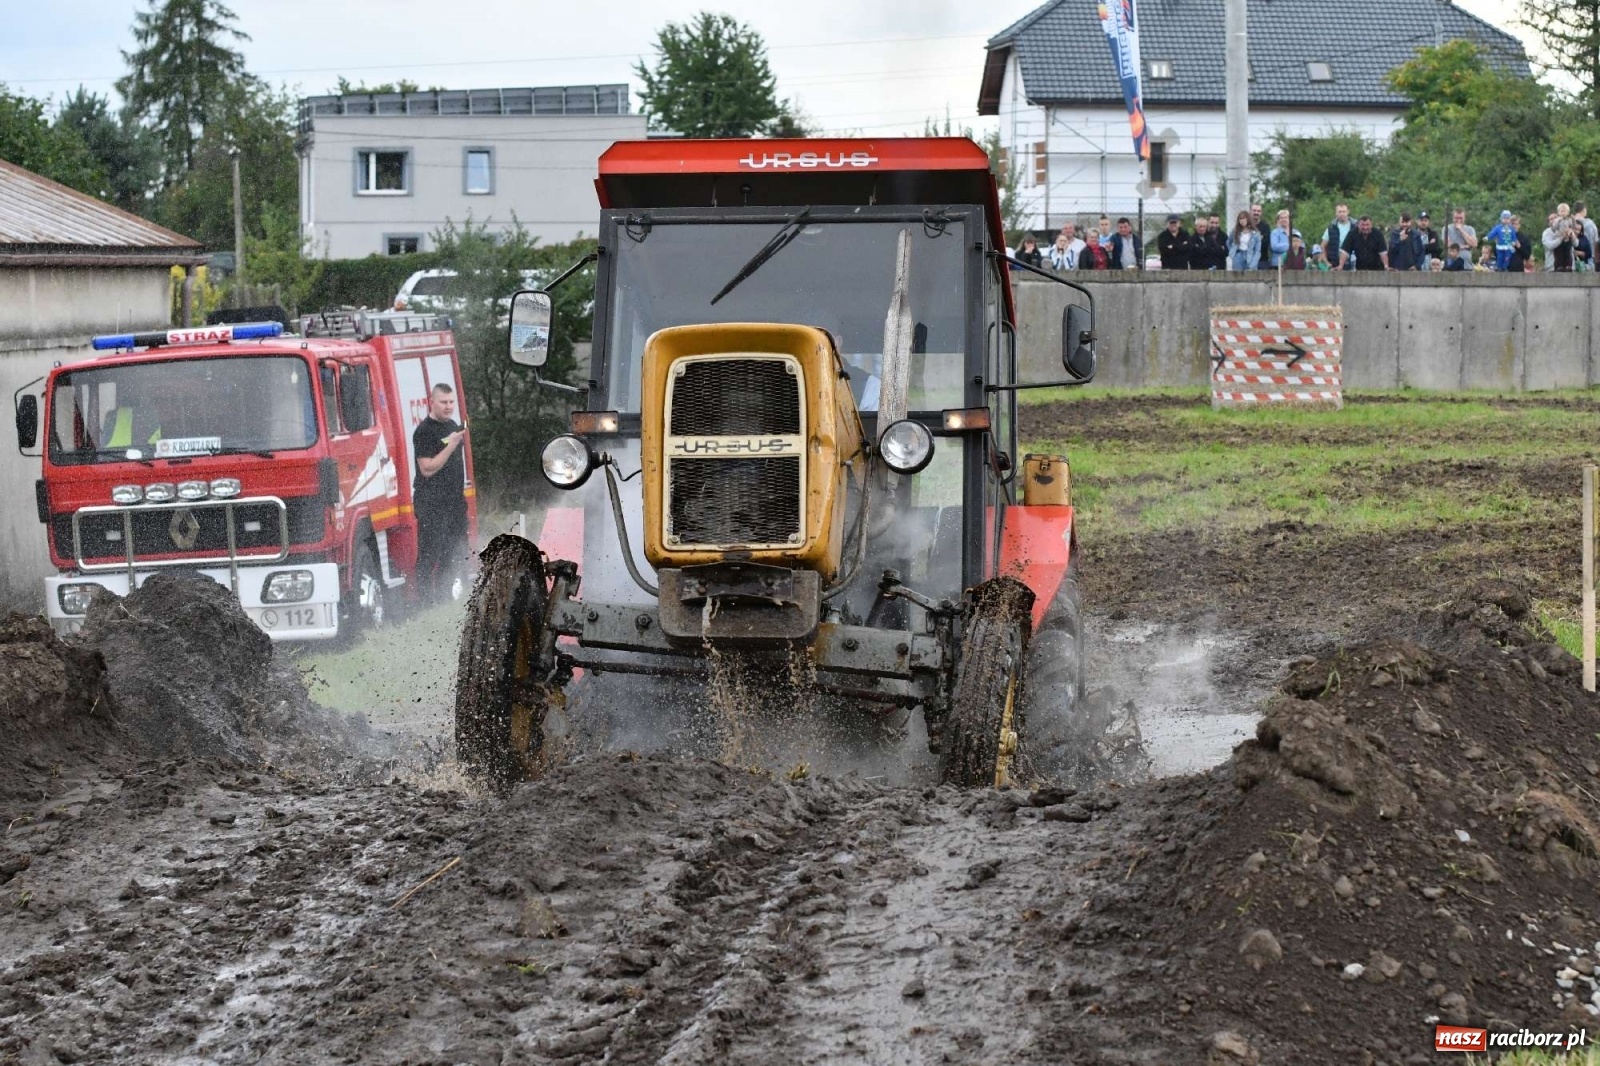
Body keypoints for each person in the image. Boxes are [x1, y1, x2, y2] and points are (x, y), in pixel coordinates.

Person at [412, 382, 469, 605]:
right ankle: (426, 605)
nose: (448, 406)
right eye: (443, 402)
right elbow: (427, 468)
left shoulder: (453, 425)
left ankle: (446, 602)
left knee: (452, 554)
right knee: (429, 555)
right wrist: (452, 444)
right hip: (431, 504)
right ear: (431, 402)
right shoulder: (424, 431)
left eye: (451, 402)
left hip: (454, 502)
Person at [1322, 204, 1355, 272]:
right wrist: (1327, 263)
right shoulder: (1331, 228)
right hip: (1335, 265)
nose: (1342, 214)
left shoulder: (1356, 226)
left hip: (1353, 264)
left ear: (1348, 212)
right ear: (1336, 213)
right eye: (1339, 212)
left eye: (1343, 211)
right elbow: (1322, 246)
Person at [1250, 203, 1272, 268]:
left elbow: (1266, 244)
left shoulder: (1266, 227)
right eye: (1254, 210)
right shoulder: (1245, 226)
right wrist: (1259, 238)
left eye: (1258, 211)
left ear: (1261, 213)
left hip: (1262, 261)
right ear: (1250, 211)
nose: (1256, 213)